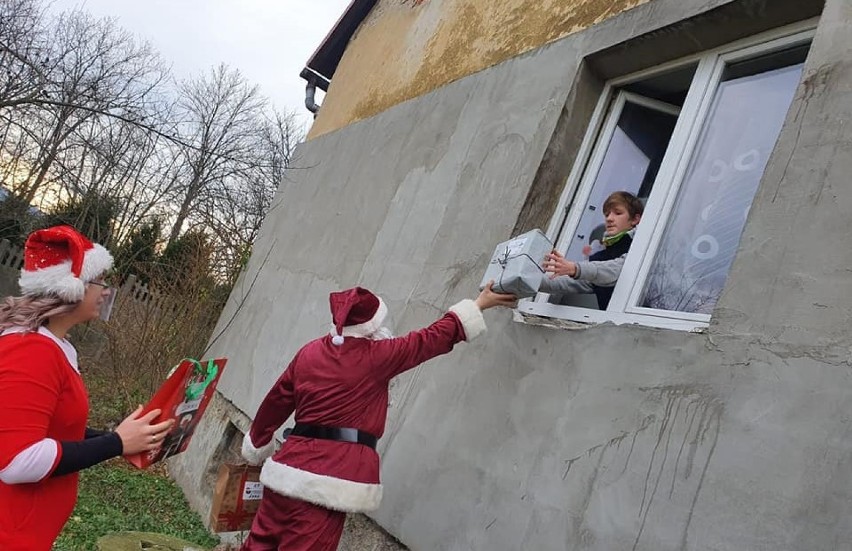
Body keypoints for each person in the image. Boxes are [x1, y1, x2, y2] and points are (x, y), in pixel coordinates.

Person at [239, 282, 517, 550]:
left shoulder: (308, 353)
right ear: (372, 325)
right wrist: (480, 303)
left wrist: (257, 442)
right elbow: (432, 338)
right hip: (324, 487)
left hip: (283, 477)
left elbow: (274, 403)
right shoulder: (377, 356)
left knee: (257, 546)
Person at [0, 225, 174, 551]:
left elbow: (58, 430)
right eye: (99, 282)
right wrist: (115, 443)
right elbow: (16, 462)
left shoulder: (57, 346)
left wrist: (122, 437)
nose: (106, 291)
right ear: (70, 288)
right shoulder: (31, 350)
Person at [540, 191, 644, 310]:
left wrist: (575, 268)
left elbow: (618, 270)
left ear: (635, 219)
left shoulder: (641, 246)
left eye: (618, 213)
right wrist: (523, 283)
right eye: (606, 214)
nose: (609, 219)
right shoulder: (600, 256)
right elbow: (564, 283)